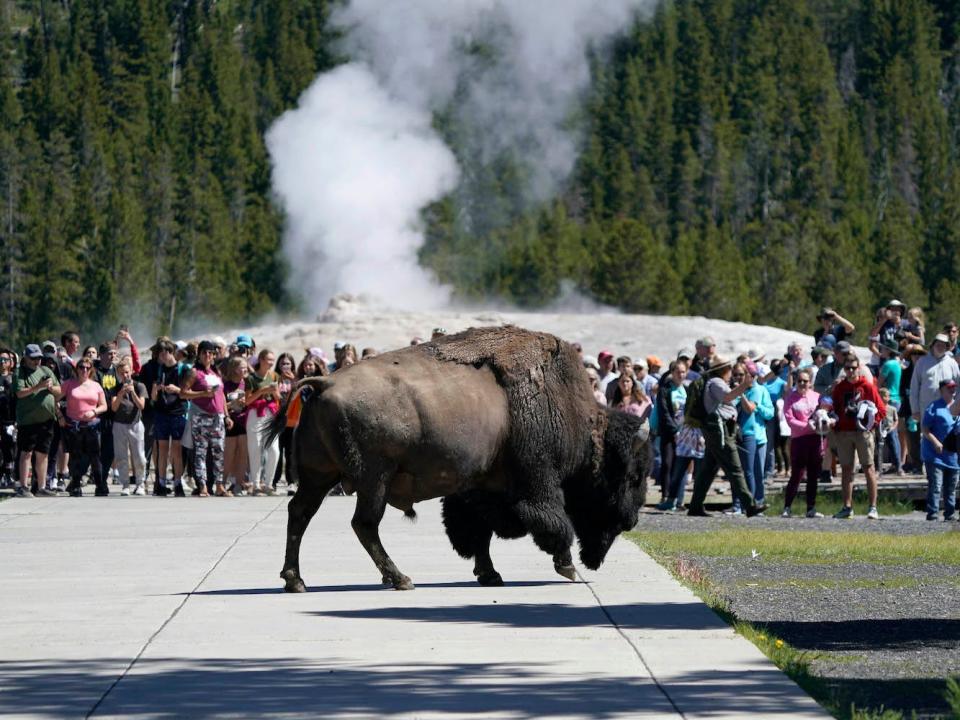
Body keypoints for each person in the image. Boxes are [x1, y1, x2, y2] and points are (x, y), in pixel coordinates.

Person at [686, 355, 768, 517]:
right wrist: (744, 385)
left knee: (708, 470)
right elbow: (728, 397)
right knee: (735, 468)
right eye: (729, 368)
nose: (731, 372)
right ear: (724, 369)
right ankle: (750, 505)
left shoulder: (714, 382)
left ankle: (695, 506)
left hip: (717, 429)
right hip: (719, 430)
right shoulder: (716, 383)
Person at [831, 353, 885, 519]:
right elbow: (833, 410)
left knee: (868, 467)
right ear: (844, 369)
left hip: (863, 433)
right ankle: (847, 507)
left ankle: (873, 507)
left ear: (859, 368)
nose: (851, 371)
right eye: (847, 368)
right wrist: (834, 424)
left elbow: (881, 410)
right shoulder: (839, 388)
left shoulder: (867, 387)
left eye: (854, 368)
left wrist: (871, 424)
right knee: (846, 469)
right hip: (844, 433)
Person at [180, 340, 229, 497]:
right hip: (200, 416)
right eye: (204, 352)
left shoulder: (216, 373)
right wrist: (202, 394)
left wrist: (227, 415)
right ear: (199, 355)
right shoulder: (194, 372)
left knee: (219, 453)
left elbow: (221, 396)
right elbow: (183, 393)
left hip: (218, 417)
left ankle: (220, 485)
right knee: (200, 452)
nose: (208, 355)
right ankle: (202, 486)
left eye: (210, 353)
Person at [14, 344, 62, 497]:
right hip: (28, 420)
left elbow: (59, 390)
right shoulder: (20, 372)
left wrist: (50, 388)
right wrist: (38, 386)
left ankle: (41, 487)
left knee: (43, 454)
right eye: (33, 358)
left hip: (46, 420)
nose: (37, 361)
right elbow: (20, 393)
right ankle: (23, 486)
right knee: (26, 453)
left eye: (39, 358)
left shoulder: (46, 370)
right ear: (25, 358)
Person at [781, 368, 826, 517]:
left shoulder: (817, 397)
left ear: (810, 382)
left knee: (813, 475)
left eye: (805, 381)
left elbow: (825, 412)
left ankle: (810, 508)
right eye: (799, 380)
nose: (802, 383)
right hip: (799, 440)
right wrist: (806, 426)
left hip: (815, 439)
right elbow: (790, 419)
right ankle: (787, 507)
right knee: (797, 474)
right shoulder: (790, 398)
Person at [730, 361, 774, 514]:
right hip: (739, 434)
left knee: (755, 472)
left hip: (757, 435)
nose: (738, 378)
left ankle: (755, 502)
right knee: (741, 471)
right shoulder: (733, 390)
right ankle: (741, 504)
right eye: (735, 375)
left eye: (741, 375)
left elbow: (768, 412)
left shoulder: (758, 390)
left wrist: (757, 407)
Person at [61, 358, 109, 496]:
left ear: (91, 369)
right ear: (77, 369)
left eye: (88, 367)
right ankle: (75, 485)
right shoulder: (69, 384)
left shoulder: (96, 386)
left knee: (95, 457)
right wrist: (60, 416)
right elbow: (53, 398)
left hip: (92, 425)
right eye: (81, 367)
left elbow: (104, 406)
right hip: (74, 425)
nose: (84, 370)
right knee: (75, 457)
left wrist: (94, 412)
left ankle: (100, 485)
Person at [150, 340, 188, 496]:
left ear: (170, 352)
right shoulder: (159, 370)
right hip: (161, 413)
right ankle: (161, 483)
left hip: (178, 412)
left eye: (163, 353)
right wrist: (155, 389)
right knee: (162, 449)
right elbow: (153, 398)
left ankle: (178, 482)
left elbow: (188, 393)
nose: (161, 356)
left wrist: (177, 389)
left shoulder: (182, 370)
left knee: (177, 450)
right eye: (160, 353)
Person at [920, 379, 960, 521]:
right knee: (936, 485)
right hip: (935, 454)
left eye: (954, 387)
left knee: (951, 487)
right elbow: (924, 429)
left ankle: (949, 514)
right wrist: (935, 442)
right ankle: (932, 513)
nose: (952, 390)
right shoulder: (934, 407)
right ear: (941, 390)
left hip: (953, 456)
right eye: (949, 387)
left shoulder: (957, 407)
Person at [245, 348, 281, 495]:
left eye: (273, 360)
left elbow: (278, 397)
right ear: (260, 360)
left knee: (274, 450)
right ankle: (255, 484)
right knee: (256, 449)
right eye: (268, 360)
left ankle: (269, 483)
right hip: (255, 413)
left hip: (271, 413)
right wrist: (261, 391)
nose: (271, 363)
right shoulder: (251, 378)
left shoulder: (274, 376)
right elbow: (247, 401)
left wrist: (274, 392)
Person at [109, 357, 148, 495]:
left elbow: (141, 405)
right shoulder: (115, 389)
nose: (125, 375)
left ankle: (140, 483)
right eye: (121, 373)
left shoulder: (139, 386)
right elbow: (113, 407)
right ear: (118, 374)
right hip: (119, 424)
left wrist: (132, 392)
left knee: (139, 456)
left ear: (131, 371)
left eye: (126, 372)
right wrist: (121, 394)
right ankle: (125, 484)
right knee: (121, 456)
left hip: (135, 423)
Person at [909, 333, 960, 430]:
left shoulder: (952, 363)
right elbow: (914, 387)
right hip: (926, 407)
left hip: (947, 409)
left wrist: (956, 407)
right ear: (932, 345)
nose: (941, 347)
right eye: (938, 344)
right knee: (927, 438)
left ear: (947, 347)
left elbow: (958, 386)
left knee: (946, 439)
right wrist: (915, 410)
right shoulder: (922, 362)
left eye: (943, 345)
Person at [654, 359, 688, 502]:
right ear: (672, 373)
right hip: (669, 433)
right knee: (667, 463)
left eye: (683, 372)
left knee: (679, 466)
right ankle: (665, 495)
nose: (680, 375)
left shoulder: (686, 389)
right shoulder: (665, 389)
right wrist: (675, 431)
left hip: (684, 433)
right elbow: (665, 412)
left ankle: (678, 497)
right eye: (678, 372)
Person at [223, 356, 249, 495]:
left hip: (244, 420)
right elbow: (220, 404)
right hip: (230, 422)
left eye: (246, 367)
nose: (245, 370)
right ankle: (222, 482)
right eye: (241, 367)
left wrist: (247, 401)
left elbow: (252, 400)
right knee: (229, 453)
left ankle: (239, 484)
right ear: (234, 369)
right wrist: (233, 404)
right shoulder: (226, 385)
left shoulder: (247, 383)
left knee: (242, 453)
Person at [876, 339, 903, 475]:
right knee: (894, 434)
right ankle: (896, 464)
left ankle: (897, 466)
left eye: (884, 348)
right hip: (897, 398)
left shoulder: (887, 364)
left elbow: (879, 382)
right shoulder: (897, 364)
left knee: (889, 434)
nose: (882, 351)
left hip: (888, 400)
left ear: (889, 351)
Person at [272, 352, 297, 489]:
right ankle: (274, 481)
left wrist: (294, 382)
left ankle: (291, 481)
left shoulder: (297, 378)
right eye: (282, 363)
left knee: (290, 452)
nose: (285, 366)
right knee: (277, 452)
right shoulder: (275, 378)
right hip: (277, 419)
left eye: (288, 363)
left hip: (292, 420)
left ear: (292, 365)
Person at [0, 349, 15, 487]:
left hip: (9, 421)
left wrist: (16, 422)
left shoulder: (13, 378)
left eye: (5, 360)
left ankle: (9, 475)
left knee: (9, 449)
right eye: (0, 360)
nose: (2, 362)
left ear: (10, 363)